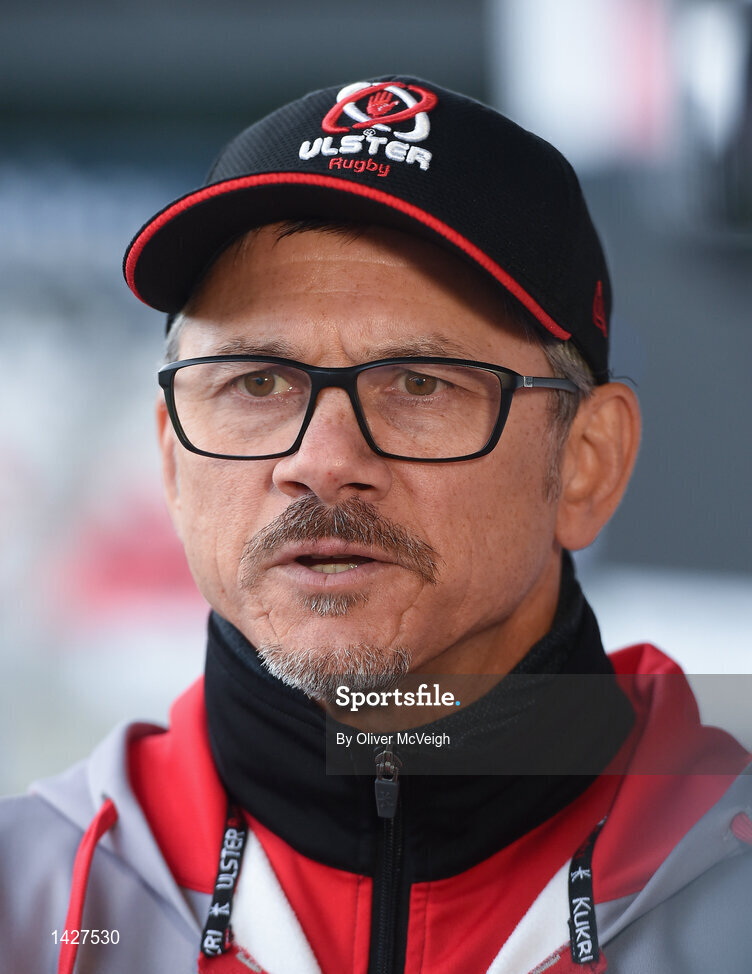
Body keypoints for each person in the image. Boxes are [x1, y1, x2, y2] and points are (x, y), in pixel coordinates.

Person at [2, 76, 750, 974]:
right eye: (257, 383)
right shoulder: (28, 898)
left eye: (420, 385)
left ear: (587, 460)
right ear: (171, 458)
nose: (319, 460)